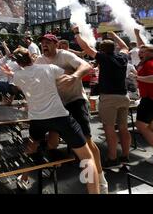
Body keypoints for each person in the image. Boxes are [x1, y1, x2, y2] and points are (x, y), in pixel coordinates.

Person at [0, 47, 99, 194]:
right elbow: (72, 74)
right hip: (59, 117)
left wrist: (11, 73)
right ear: (32, 57)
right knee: (87, 158)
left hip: (37, 120)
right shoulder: (49, 68)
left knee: (31, 148)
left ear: (18, 63)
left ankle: (24, 177)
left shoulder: (17, 76)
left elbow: (22, 76)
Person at [35, 33, 108, 193]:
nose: (44, 45)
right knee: (52, 142)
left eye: (48, 42)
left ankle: (100, 179)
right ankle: (36, 171)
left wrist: (74, 76)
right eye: (42, 43)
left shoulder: (65, 55)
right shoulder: (40, 61)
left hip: (75, 101)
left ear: (55, 44)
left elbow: (86, 66)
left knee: (86, 143)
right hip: (57, 105)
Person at [73, 28, 131, 169]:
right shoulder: (122, 58)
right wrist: (114, 35)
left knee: (109, 128)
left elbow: (85, 47)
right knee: (123, 128)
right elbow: (125, 47)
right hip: (124, 96)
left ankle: (112, 158)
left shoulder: (104, 57)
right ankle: (125, 156)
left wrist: (76, 34)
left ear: (102, 50)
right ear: (113, 48)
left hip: (109, 98)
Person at [132, 29, 153, 165]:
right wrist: (138, 35)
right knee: (151, 127)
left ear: (151, 53)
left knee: (140, 125)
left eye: (143, 52)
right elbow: (143, 47)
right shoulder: (151, 59)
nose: (140, 53)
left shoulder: (152, 63)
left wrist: (137, 77)